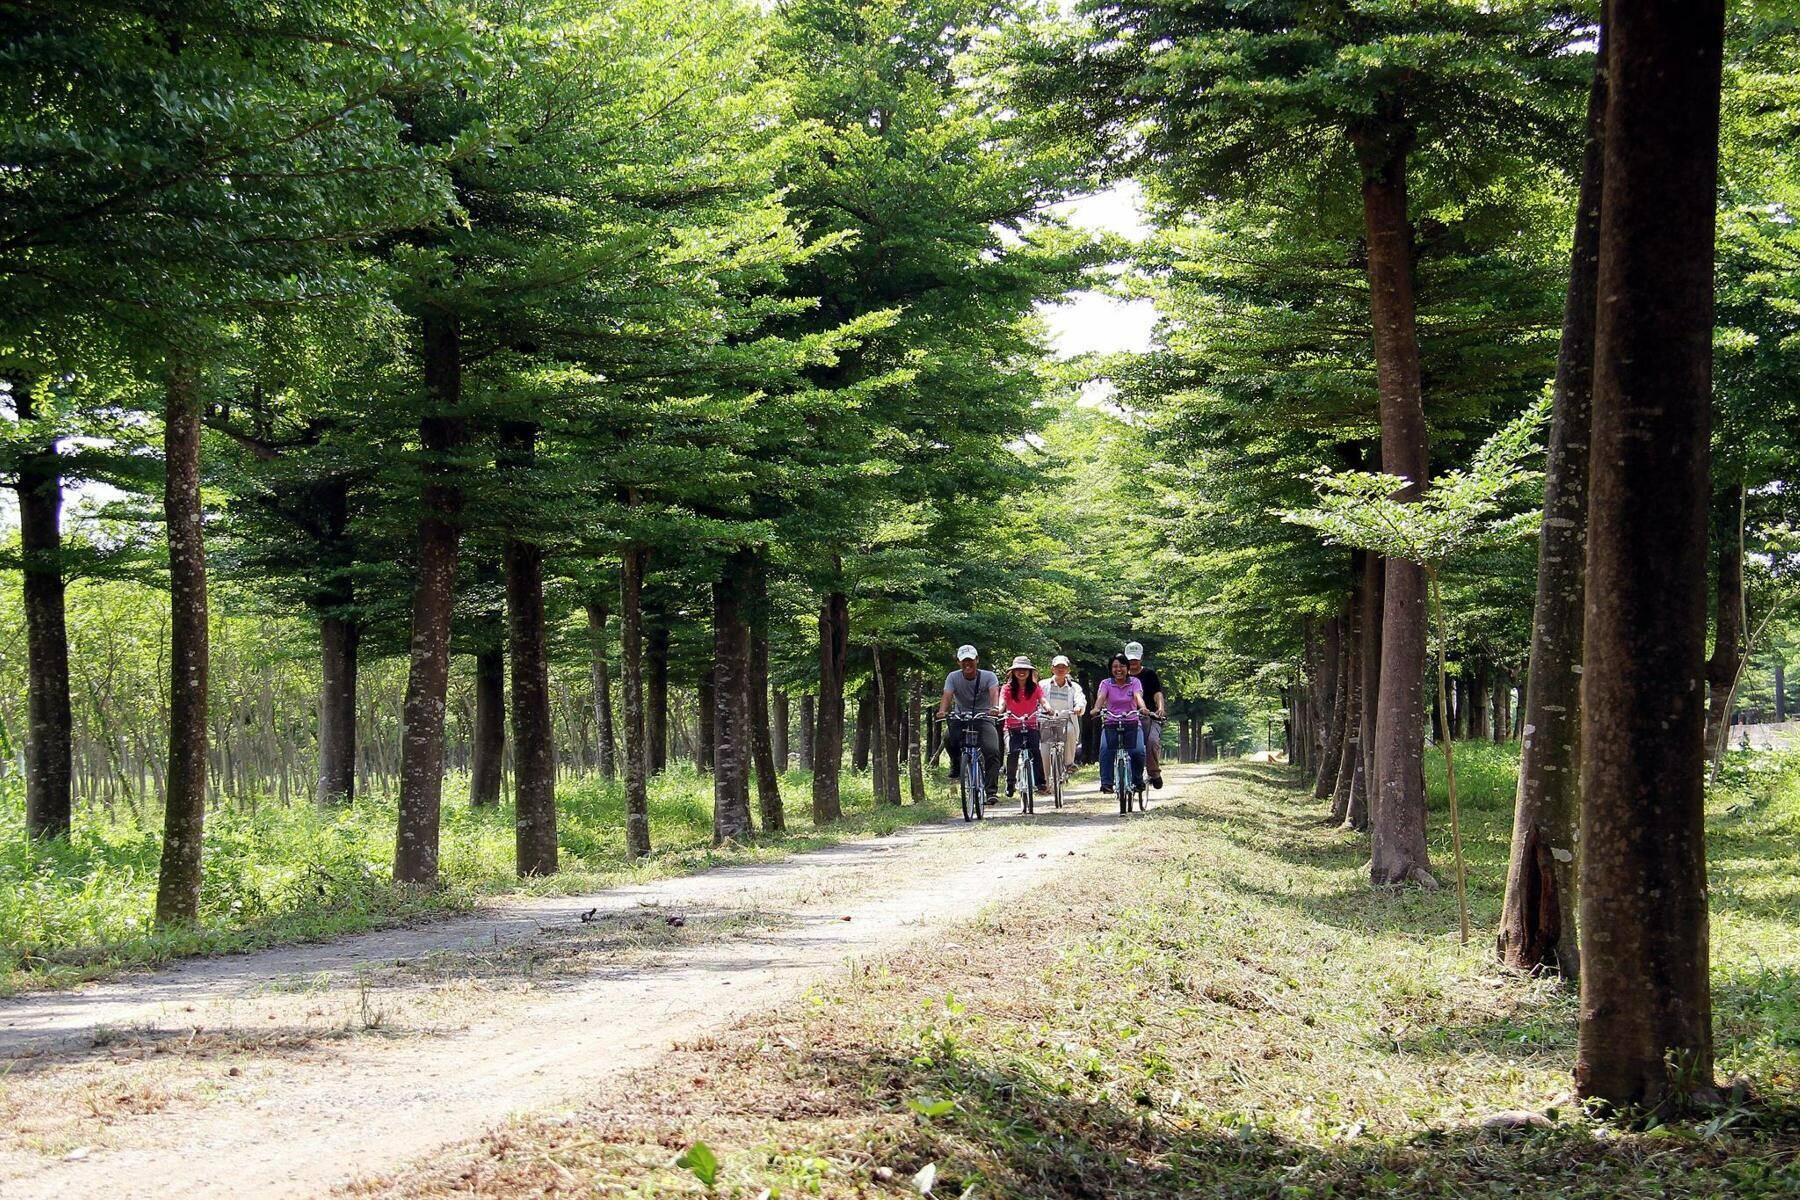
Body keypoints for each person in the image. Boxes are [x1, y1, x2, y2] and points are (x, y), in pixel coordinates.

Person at [938, 644, 1000, 796]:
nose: (967, 664)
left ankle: (991, 791)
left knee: (992, 750)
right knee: (948, 738)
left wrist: (994, 708)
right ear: (959, 662)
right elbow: (947, 695)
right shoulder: (953, 677)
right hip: (962, 717)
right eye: (963, 661)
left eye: (970, 660)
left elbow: (994, 693)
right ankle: (956, 763)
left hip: (983, 717)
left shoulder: (989, 676)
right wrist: (942, 711)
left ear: (977, 660)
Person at [1095, 652, 1152, 795]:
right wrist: (1096, 708)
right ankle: (1107, 783)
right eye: (1115, 666)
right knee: (1105, 749)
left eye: (1122, 666)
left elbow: (1138, 696)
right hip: (1111, 722)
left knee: (1138, 751)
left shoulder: (1134, 682)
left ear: (1127, 668)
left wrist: (1143, 708)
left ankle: (1138, 780)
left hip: (1132, 722)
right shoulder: (1106, 683)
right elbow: (1101, 697)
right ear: (1110, 669)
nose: (1118, 669)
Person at [1000, 656, 1049, 798]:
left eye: (1025, 669)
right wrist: (998, 710)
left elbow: (1043, 700)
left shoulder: (1035, 687)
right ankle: (1010, 783)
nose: (1021, 672)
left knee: (1036, 751)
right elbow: (1002, 703)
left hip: (1031, 726)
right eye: (1018, 669)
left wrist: (1049, 708)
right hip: (1012, 726)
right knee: (1012, 753)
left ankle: (1041, 783)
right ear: (1013, 672)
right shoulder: (1007, 688)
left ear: (1029, 672)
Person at [1039, 654, 1086, 784]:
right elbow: (1037, 699)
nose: (1060, 669)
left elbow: (1080, 699)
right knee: (1044, 750)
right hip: (1047, 721)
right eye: (1057, 667)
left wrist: (1079, 707)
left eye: (1063, 667)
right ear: (1052, 669)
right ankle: (1046, 782)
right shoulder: (1043, 684)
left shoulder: (1074, 687)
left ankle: (1068, 763)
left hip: (1066, 720)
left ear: (1068, 670)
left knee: (1070, 731)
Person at [1125, 641, 1166, 788]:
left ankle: (1154, 772)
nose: (1133, 662)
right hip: (1127, 717)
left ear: (1141, 658)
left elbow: (1157, 694)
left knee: (1152, 742)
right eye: (1130, 660)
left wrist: (1160, 708)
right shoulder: (1120, 676)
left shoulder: (1149, 674)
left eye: (1135, 659)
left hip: (1150, 716)